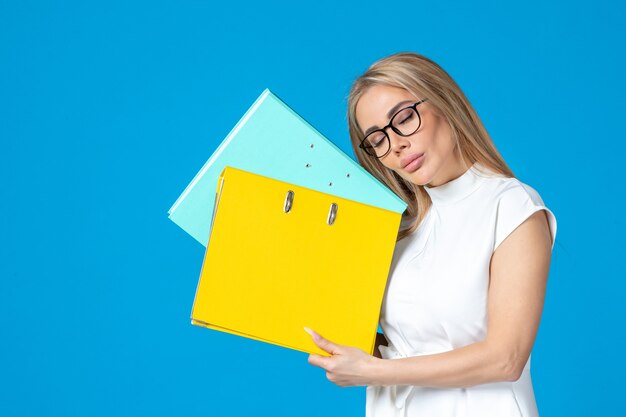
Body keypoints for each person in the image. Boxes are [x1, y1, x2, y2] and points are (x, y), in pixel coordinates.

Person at [305, 52, 557, 417]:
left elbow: (505, 358)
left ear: (443, 101)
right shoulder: (399, 230)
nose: (396, 144)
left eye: (404, 118)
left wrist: (374, 371)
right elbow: (402, 345)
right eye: (377, 139)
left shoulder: (512, 207)